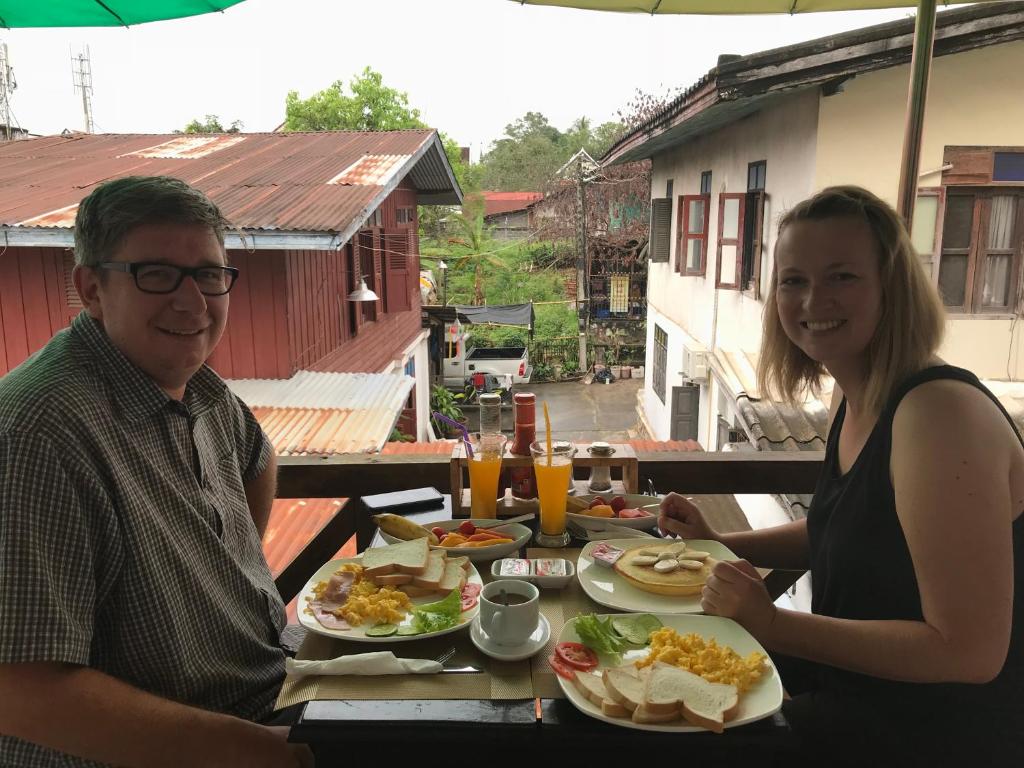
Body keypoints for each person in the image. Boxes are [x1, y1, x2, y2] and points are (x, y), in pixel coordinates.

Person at [660, 186, 1023, 764]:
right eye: (793, 280)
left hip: (931, 732)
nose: (813, 300)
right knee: (662, 674)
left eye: (842, 277)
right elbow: (849, 530)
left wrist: (773, 622)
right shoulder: (853, 397)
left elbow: (969, 652)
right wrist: (721, 544)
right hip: (853, 689)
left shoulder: (939, 413)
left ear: (891, 286)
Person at [0, 176, 312, 767]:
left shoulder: (200, 390)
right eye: (157, 274)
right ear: (91, 288)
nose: (192, 302)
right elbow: (18, 690)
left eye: (209, 274)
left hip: (267, 695)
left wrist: (232, 573)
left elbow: (258, 457)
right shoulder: (39, 432)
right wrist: (261, 753)